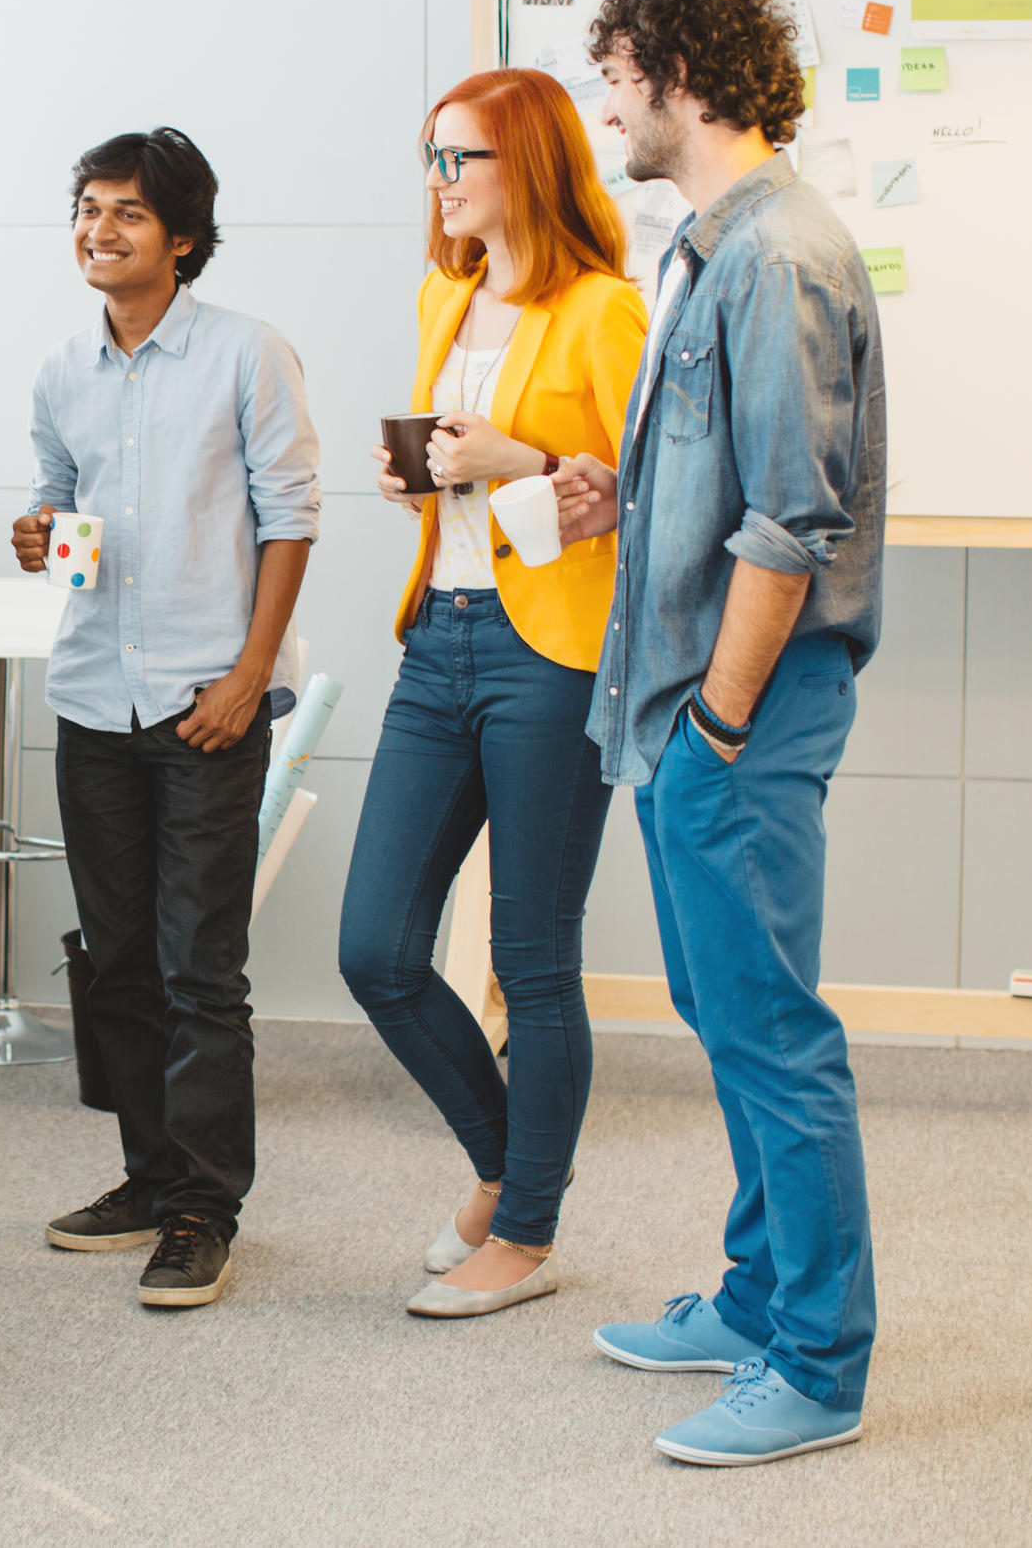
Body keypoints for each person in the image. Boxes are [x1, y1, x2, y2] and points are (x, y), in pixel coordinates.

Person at [558, 0, 887, 1465]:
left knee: (770, 1033)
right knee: (726, 1013)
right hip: (698, 708)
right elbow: (717, 483)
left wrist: (721, 728)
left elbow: (791, 527)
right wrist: (602, 491)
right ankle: (761, 1296)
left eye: (618, 75)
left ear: (682, 79)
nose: (605, 102)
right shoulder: (705, 244)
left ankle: (817, 1361)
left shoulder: (774, 255)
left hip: (735, 715)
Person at [336, 69, 646, 1319]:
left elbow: (656, 491)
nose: (437, 181)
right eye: (429, 156)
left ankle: (525, 1229)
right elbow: (447, 472)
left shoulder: (605, 311)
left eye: (456, 157)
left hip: (554, 651)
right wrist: (418, 481)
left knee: (532, 957)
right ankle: (506, 1163)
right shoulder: (443, 294)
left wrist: (530, 460)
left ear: (526, 164)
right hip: (441, 637)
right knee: (376, 949)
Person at [15, 128, 319, 1310]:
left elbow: (290, 518)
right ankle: (147, 1176)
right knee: (118, 960)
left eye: (127, 213)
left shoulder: (246, 354)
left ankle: (204, 1204)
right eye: (87, 208)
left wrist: (250, 674)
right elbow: (57, 499)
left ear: (182, 237)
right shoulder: (59, 371)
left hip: (206, 700)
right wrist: (38, 530)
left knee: (203, 966)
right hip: (94, 693)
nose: (99, 229)